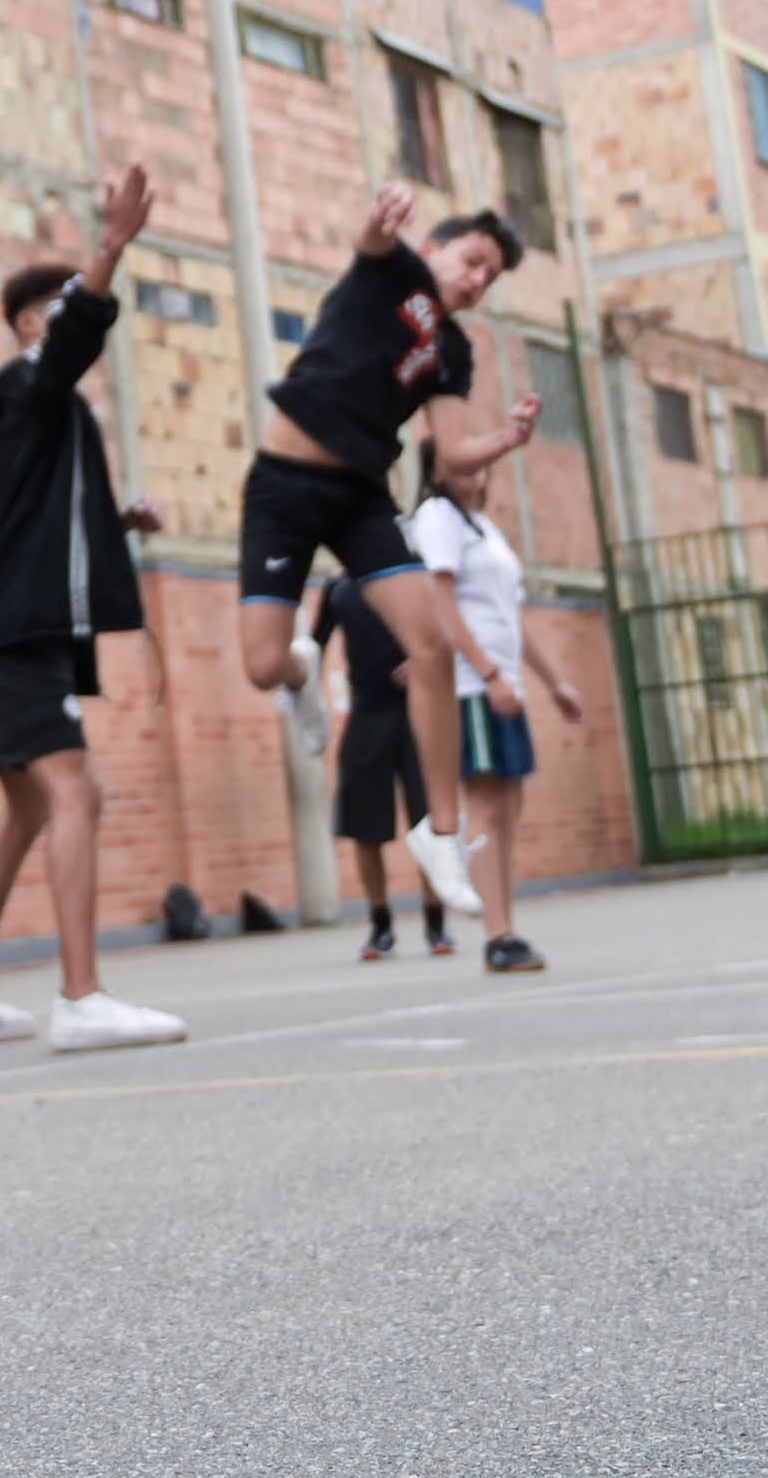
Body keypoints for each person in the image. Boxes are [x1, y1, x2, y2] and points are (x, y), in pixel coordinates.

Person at [227, 181, 546, 925]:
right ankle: (302, 669)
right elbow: (369, 241)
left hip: (362, 497)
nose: (477, 280)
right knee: (262, 666)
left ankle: (440, 833)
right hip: (284, 486)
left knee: (430, 644)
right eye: (471, 261)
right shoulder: (393, 272)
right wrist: (376, 219)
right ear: (433, 250)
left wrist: (504, 439)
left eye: (490, 277)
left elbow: (451, 449)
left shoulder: (452, 352)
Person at [0, 162, 189, 1053]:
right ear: (30, 325)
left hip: (0, 625)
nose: (81, 310)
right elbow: (80, 332)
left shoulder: (39, 415)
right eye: (65, 303)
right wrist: (111, 247)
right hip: (11, 630)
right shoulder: (26, 385)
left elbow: (28, 511)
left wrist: (115, 522)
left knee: (31, 808)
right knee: (76, 787)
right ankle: (80, 997)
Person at [410, 444, 586, 972]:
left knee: (509, 807)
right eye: (461, 460)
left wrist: (554, 683)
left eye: (479, 461)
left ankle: (506, 924)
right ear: (437, 469)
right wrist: (487, 673)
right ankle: (497, 934)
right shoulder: (438, 517)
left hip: (504, 685)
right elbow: (440, 603)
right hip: (472, 687)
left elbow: (512, 617)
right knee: (487, 803)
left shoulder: (486, 528)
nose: (475, 470)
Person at [313, 574, 448, 960]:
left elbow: (446, 628)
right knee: (364, 826)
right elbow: (314, 648)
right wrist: (303, 699)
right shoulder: (339, 589)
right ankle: (380, 924)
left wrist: (423, 660)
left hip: (416, 710)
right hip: (367, 713)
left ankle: (436, 922)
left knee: (429, 820)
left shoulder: (409, 576)